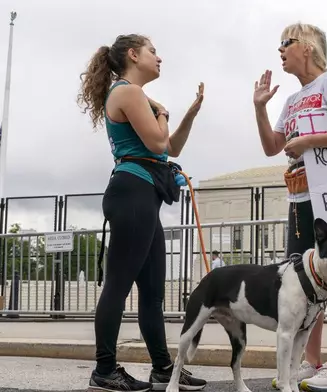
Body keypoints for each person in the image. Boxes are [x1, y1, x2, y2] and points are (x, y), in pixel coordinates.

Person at [77, 34, 207, 392]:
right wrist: (162, 113)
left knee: (151, 292)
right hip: (132, 192)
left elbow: (170, 146)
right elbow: (156, 142)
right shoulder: (129, 92)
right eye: (152, 51)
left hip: (143, 194)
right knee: (118, 286)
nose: (159, 57)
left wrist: (188, 114)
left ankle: (163, 368)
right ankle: (104, 370)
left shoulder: (134, 95)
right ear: (133, 55)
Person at [252, 23, 327, 392]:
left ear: (308, 47)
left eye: (286, 43)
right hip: (299, 196)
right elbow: (272, 146)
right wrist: (260, 108)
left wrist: (307, 141)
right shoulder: (292, 99)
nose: (280, 50)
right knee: (304, 282)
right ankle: (311, 363)